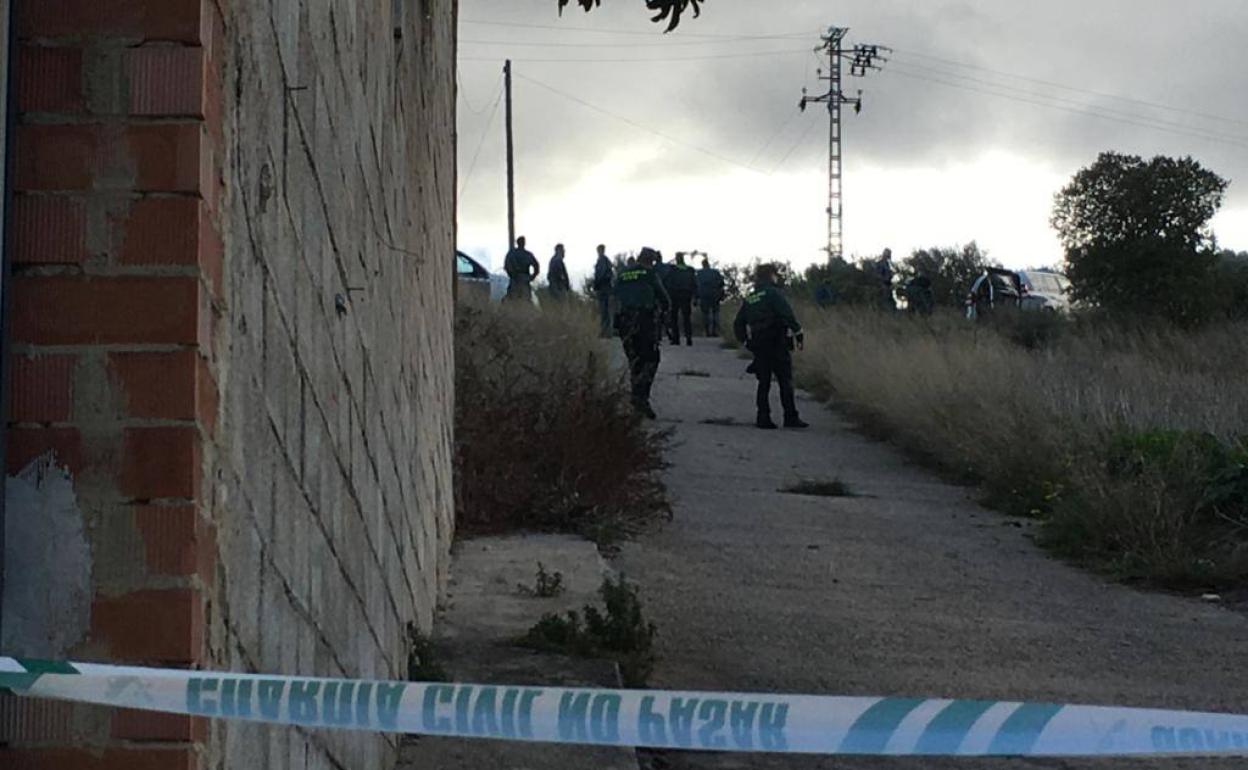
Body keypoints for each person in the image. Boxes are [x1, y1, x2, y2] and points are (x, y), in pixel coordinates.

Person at [734, 264, 808, 430]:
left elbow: (738, 323)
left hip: (759, 342)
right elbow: (787, 314)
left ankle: (763, 417)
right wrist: (798, 332)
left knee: (764, 382)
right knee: (785, 380)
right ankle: (790, 417)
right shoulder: (774, 293)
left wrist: (745, 341)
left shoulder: (751, 297)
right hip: (777, 341)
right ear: (770, 275)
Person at [614, 247, 670, 419]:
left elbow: (614, 295)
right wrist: (665, 312)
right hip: (644, 321)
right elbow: (664, 298)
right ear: (650, 260)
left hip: (624, 321)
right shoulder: (649, 273)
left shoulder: (622, 274)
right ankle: (641, 397)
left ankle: (636, 397)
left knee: (635, 360)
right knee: (651, 359)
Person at [664, 252, 698, 345]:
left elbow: (668, 283)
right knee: (686, 317)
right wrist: (695, 297)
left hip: (675, 295)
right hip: (686, 295)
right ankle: (689, 338)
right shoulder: (690, 270)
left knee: (674, 317)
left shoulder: (672, 270)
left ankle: (676, 339)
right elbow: (694, 284)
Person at [695, 256, 726, 337]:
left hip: (704, 295)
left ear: (702, 265)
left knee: (705, 314)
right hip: (715, 295)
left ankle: (707, 331)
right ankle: (715, 331)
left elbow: (696, 285)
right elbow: (721, 284)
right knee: (715, 313)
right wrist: (721, 294)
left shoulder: (699, 273)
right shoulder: (715, 272)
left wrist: (696, 297)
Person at [504, 235, 540, 302]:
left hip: (516, 280)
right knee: (524, 300)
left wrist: (512, 275)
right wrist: (532, 277)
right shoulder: (527, 254)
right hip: (523, 279)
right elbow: (536, 266)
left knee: (513, 300)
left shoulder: (512, 253)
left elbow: (506, 266)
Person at [592, 244, 615, 336]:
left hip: (603, 287)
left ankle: (606, 331)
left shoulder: (603, 260)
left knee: (604, 309)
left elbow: (601, 274)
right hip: (604, 287)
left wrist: (596, 284)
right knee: (604, 309)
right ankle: (606, 331)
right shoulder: (604, 260)